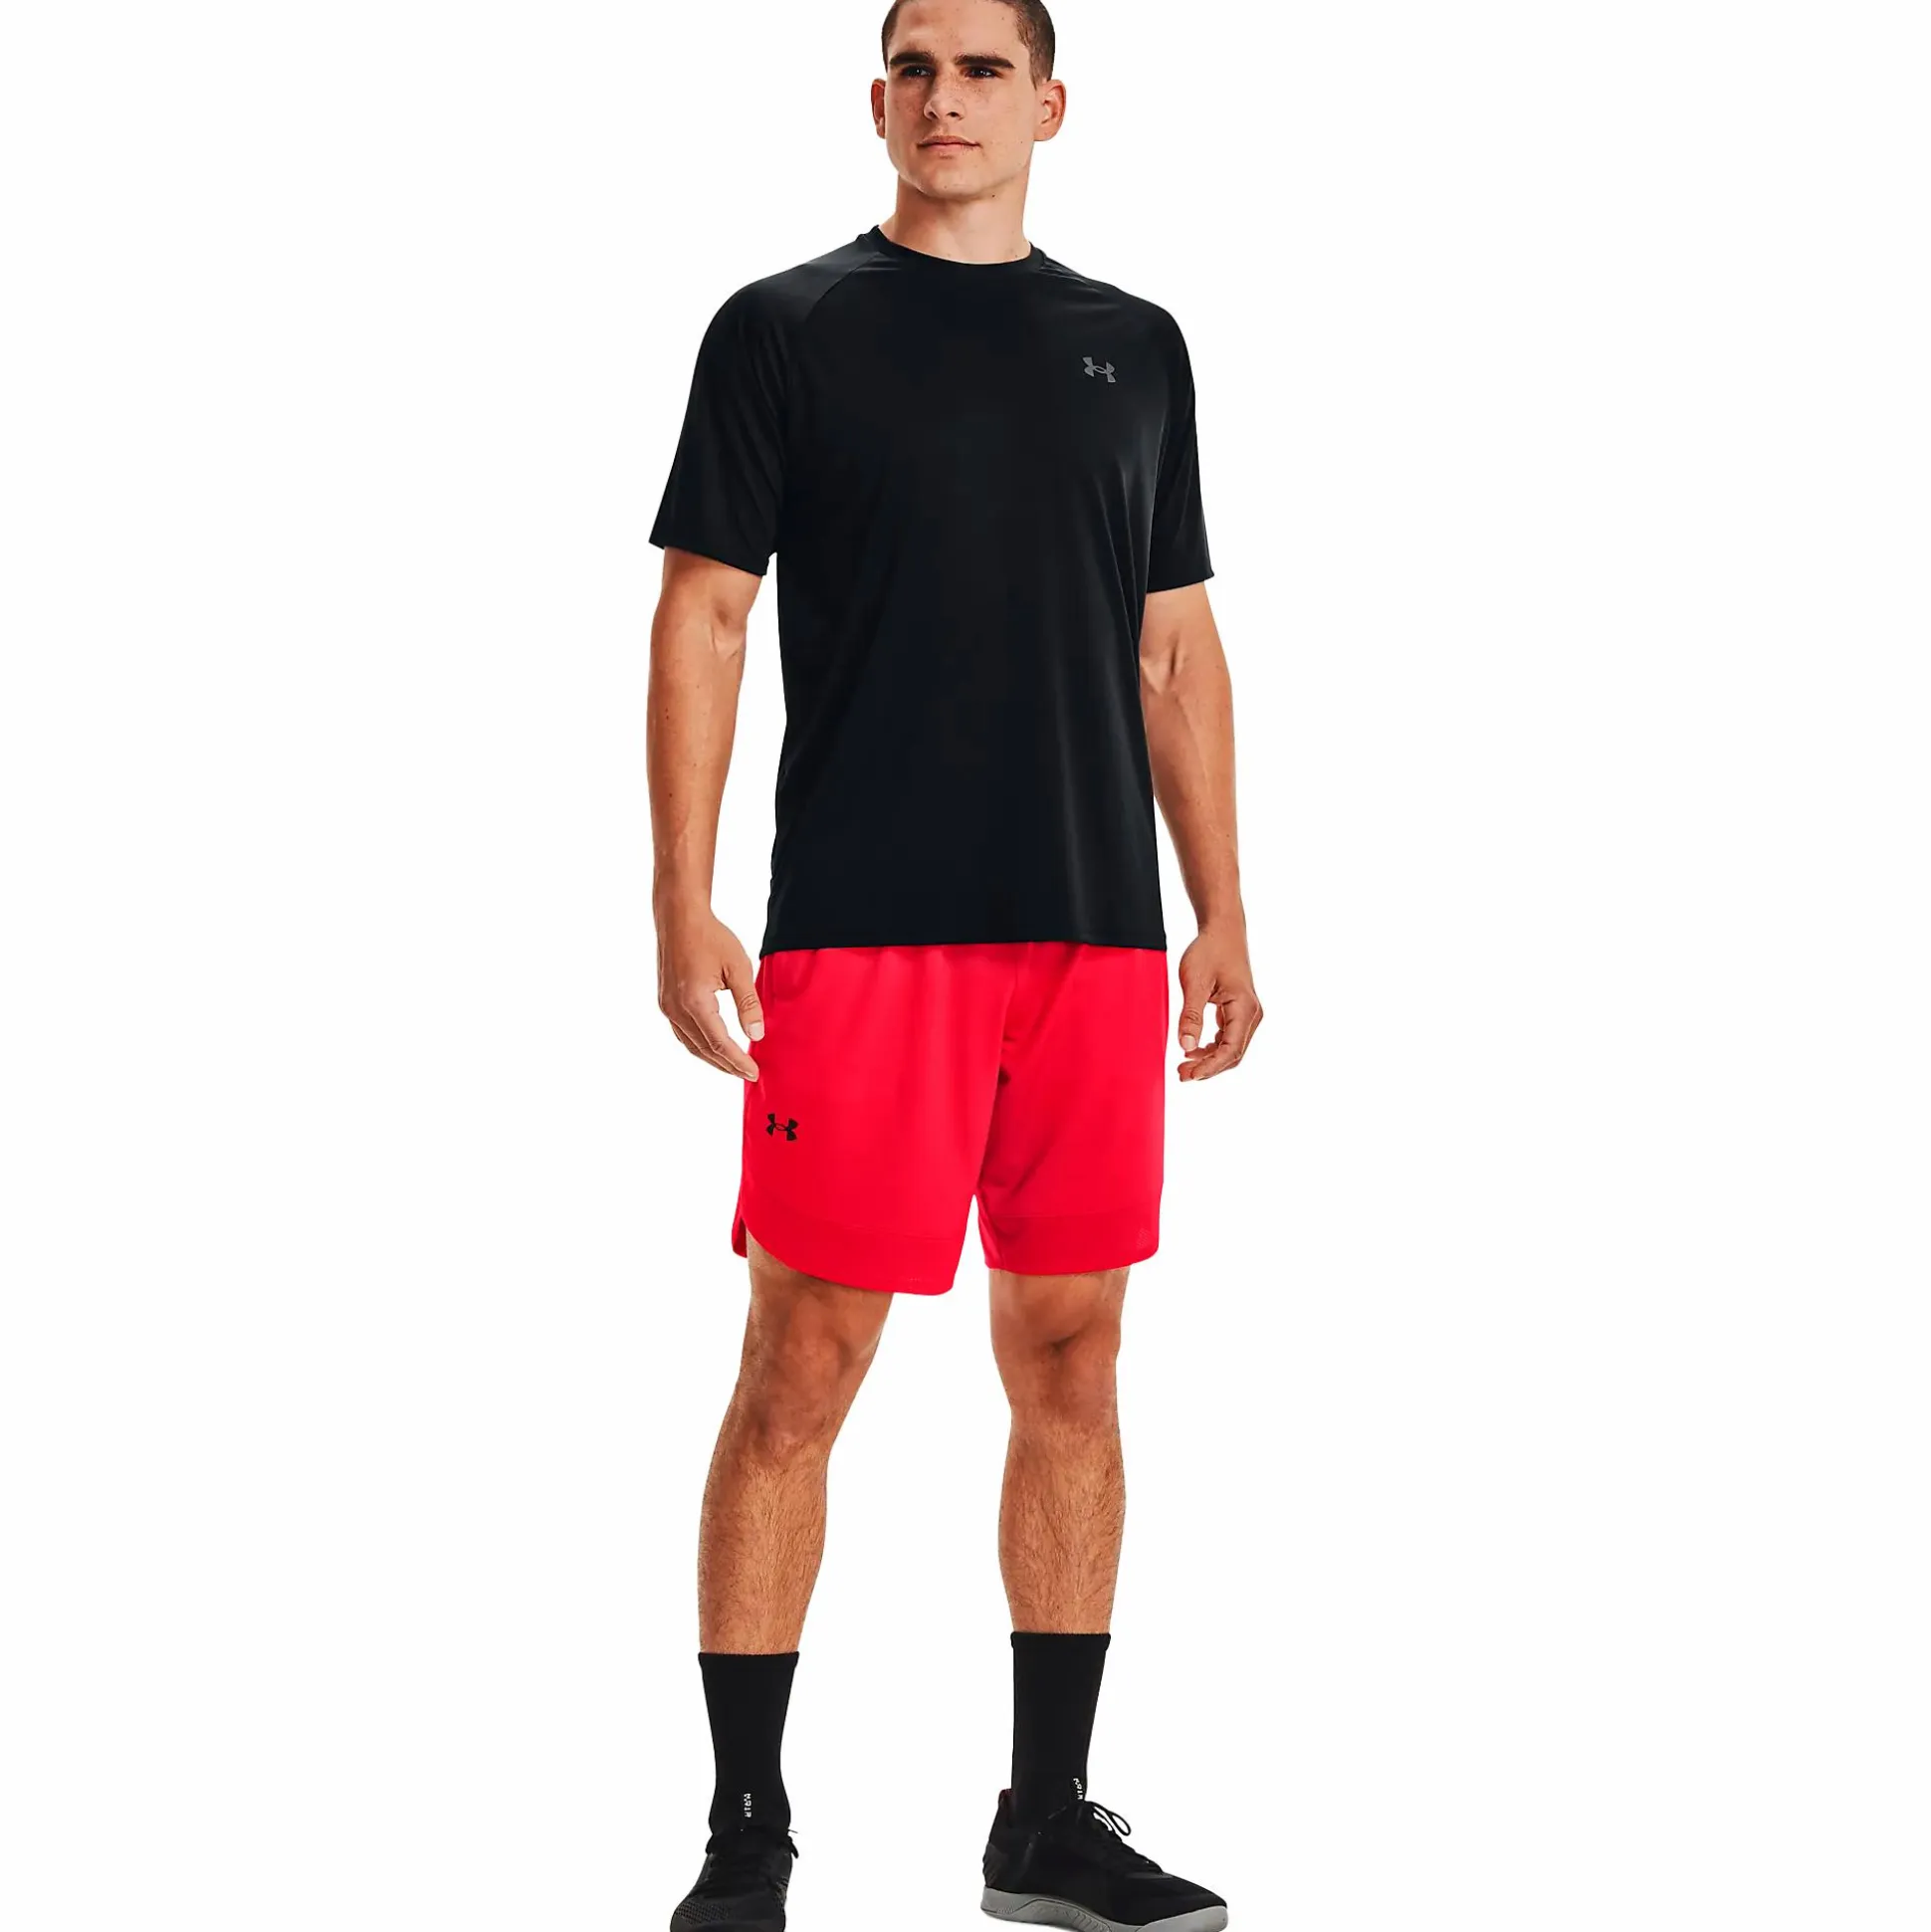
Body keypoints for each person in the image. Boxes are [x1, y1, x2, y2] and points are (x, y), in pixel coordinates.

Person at [647, 2, 1259, 1926]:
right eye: (914, 66)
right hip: (864, 932)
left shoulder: (1136, 345)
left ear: (1048, 104)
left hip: (1091, 933)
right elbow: (706, 615)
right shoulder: (785, 329)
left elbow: (1174, 642)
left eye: (982, 68)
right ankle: (748, 1832)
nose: (945, 97)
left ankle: (1045, 1820)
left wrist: (1224, 904)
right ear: (876, 101)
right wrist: (681, 898)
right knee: (801, 1362)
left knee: (1074, 1358)